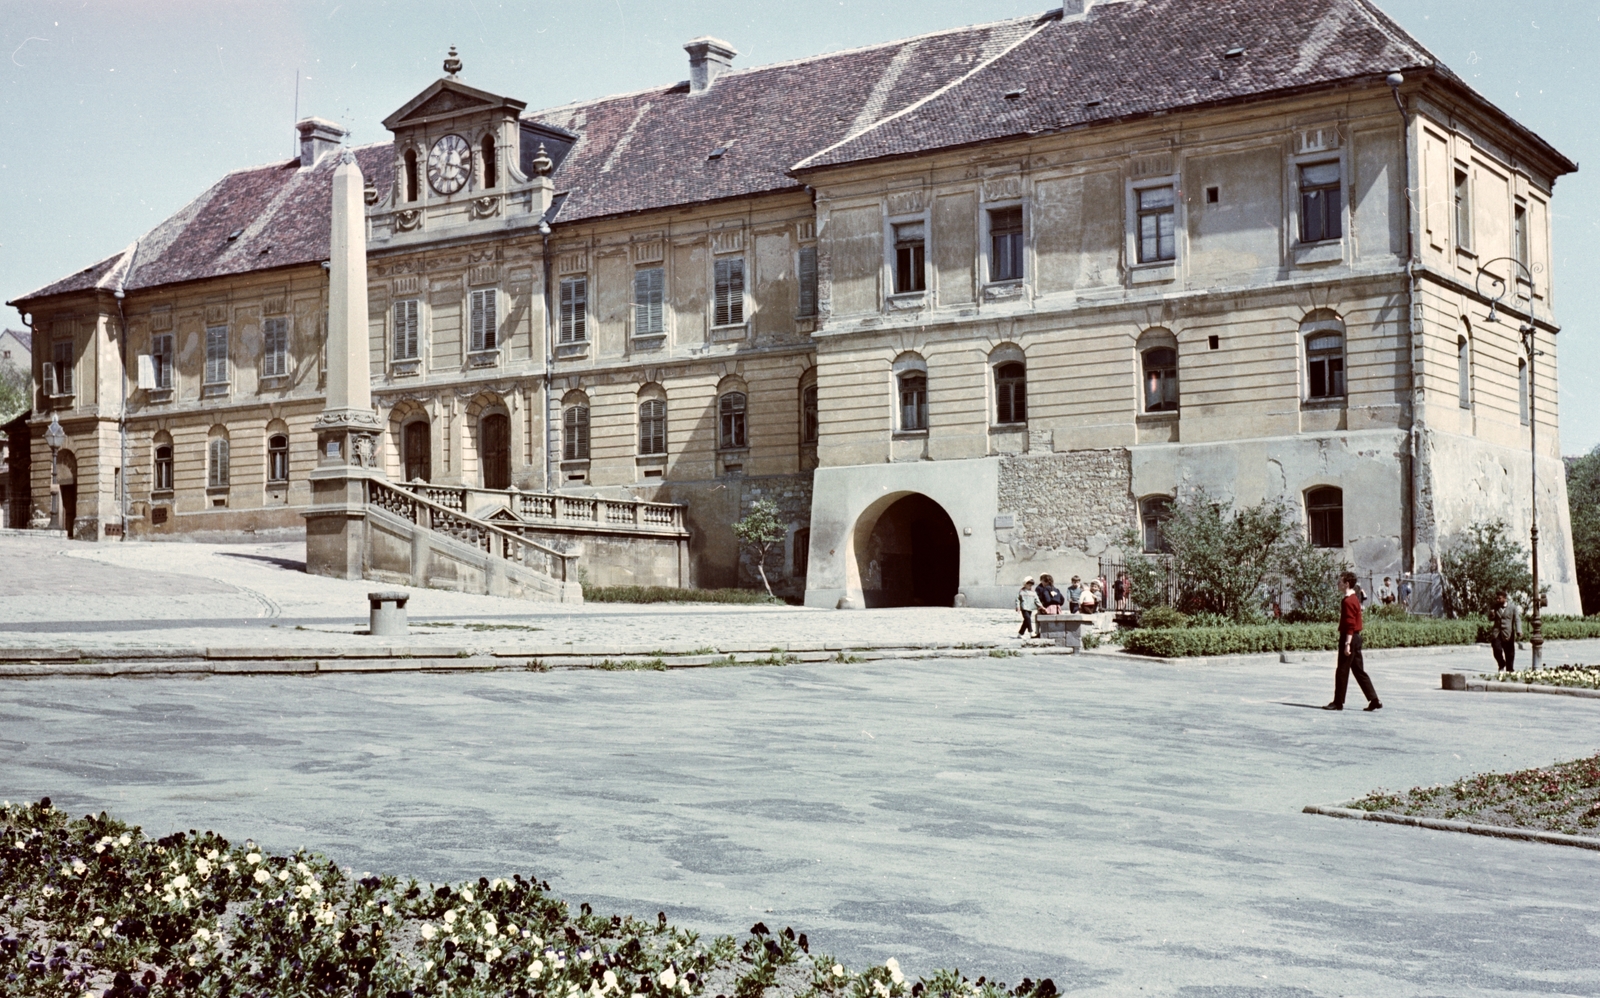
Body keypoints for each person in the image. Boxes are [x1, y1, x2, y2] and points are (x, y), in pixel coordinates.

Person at [1325, 571, 1381, 711]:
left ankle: (1338, 702)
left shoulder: (1348, 601)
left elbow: (1350, 624)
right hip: (1356, 638)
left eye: (1340, 581)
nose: (1338, 583)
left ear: (1347, 584)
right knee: (1358, 671)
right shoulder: (1354, 598)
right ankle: (1374, 700)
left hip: (1349, 637)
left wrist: (1347, 644)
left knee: (1342, 671)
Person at [1489, 590, 1521, 673]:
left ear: (1505, 599)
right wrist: (1491, 615)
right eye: (1496, 598)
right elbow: (1490, 619)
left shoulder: (1513, 607)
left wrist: (1519, 630)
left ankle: (1510, 669)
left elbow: (1517, 619)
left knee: (1509, 653)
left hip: (1508, 633)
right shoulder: (1495, 607)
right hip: (1497, 633)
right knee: (1496, 650)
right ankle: (1501, 664)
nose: (1497, 600)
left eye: (1499, 598)